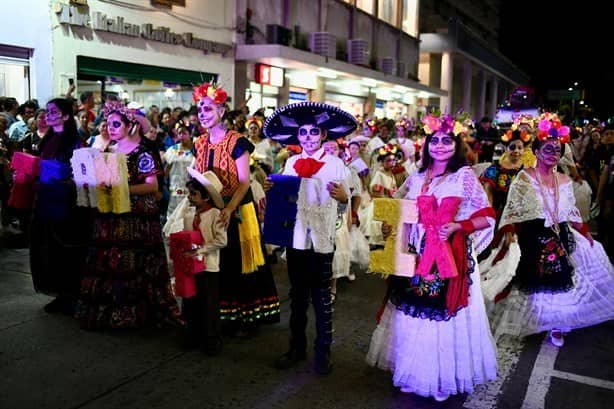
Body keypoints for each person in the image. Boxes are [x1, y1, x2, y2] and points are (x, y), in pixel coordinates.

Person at [366, 111, 497, 402]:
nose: (440, 145)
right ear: (426, 145)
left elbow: (486, 216)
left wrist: (457, 226)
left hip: (448, 256)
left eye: (446, 140)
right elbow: (398, 209)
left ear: (456, 145)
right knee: (413, 312)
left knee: (440, 316)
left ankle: (439, 377)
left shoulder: (463, 177)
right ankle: (414, 372)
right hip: (416, 255)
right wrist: (391, 224)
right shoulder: (415, 177)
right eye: (434, 140)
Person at [491, 112, 614, 347]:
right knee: (535, 285)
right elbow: (512, 208)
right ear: (536, 152)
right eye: (548, 149)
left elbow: (570, 213)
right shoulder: (525, 177)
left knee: (563, 279)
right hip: (532, 235)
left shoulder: (565, 181)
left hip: (560, 235)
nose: (553, 154)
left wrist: (585, 233)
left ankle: (557, 324)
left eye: (557, 150)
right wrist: (509, 233)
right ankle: (539, 321)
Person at [263, 101, 357, 375]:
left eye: (313, 132)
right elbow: (285, 200)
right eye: (302, 133)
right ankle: (296, 348)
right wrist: (273, 188)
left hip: (323, 240)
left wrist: (343, 198)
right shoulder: (291, 162)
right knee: (298, 296)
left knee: (322, 298)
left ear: (323, 135)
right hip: (296, 240)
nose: (307, 137)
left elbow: (343, 204)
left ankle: (323, 351)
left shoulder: (337, 164)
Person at [75, 101, 181, 329]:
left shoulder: (143, 153)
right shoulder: (109, 151)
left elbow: (152, 186)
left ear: (130, 126)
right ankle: (110, 314)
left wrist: (122, 189)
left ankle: (136, 315)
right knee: (109, 265)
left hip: (136, 218)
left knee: (135, 266)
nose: (111, 128)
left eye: (116, 124)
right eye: (108, 123)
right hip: (110, 216)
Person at [192, 82, 280, 336]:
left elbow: (243, 182)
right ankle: (220, 316)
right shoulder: (200, 143)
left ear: (221, 111)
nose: (203, 114)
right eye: (200, 110)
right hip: (212, 208)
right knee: (217, 262)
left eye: (208, 109)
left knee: (242, 263)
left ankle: (247, 318)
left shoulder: (237, 142)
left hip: (239, 207)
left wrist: (229, 208)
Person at [29, 98, 89, 315]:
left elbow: (84, 175)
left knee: (65, 250)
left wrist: (66, 182)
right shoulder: (46, 140)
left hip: (66, 203)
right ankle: (58, 292)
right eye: (48, 111)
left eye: (55, 111)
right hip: (44, 199)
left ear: (65, 115)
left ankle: (71, 294)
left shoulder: (76, 142)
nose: (49, 114)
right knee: (47, 248)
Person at [178, 168, 228, 354]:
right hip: (192, 266)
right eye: (190, 193)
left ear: (206, 197)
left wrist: (201, 250)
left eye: (194, 194)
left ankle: (212, 340)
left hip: (209, 267)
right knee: (191, 301)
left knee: (210, 304)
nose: (190, 197)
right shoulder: (189, 214)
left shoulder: (216, 215)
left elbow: (222, 240)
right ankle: (193, 334)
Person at [164, 119, 195, 219]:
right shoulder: (172, 150)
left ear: (190, 134)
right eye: (179, 133)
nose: (182, 136)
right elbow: (167, 169)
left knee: (189, 217)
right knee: (174, 217)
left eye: (184, 133)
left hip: (191, 189)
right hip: (175, 189)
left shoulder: (196, 149)